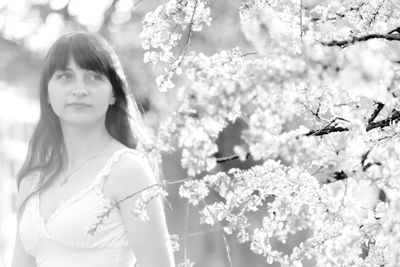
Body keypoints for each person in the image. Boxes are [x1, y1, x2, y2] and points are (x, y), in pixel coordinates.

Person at [11, 31, 175, 267]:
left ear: (113, 93)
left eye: (93, 77)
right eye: (66, 76)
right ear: (47, 92)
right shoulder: (32, 180)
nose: (79, 90)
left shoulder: (128, 170)